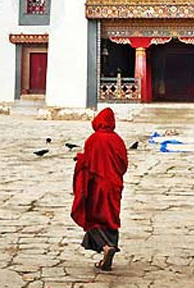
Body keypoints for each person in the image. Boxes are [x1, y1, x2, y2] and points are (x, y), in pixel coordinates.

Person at [71, 107, 128, 271]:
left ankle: (105, 247)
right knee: (111, 219)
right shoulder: (118, 140)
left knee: (92, 218)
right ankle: (107, 257)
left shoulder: (93, 140)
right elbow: (123, 164)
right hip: (114, 185)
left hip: (97, 186)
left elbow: (87, 163)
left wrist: (80, 158)